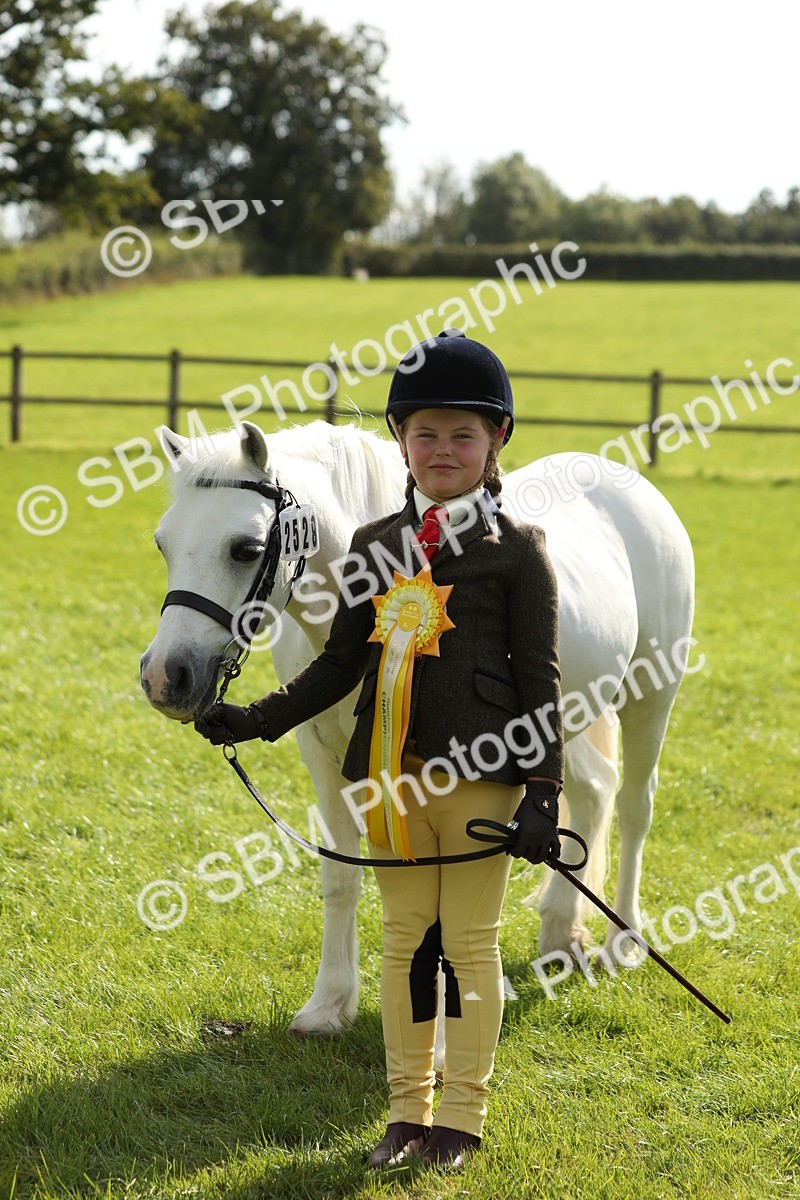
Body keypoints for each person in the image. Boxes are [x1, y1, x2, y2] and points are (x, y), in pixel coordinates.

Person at [195, 329, 564, 1172]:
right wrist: (257, 719)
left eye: (462, 435)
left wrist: (543, 788)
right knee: (403, 943)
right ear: (401, 440)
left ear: (495, 442)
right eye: (424, 433)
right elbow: (336, 665)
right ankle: (406, 1114)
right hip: (390, 780)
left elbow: (541, 680)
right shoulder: (371, 548)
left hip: (485, 777)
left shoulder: (520, 553)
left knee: (468, 945)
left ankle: (461, 1120)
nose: (442, 450)